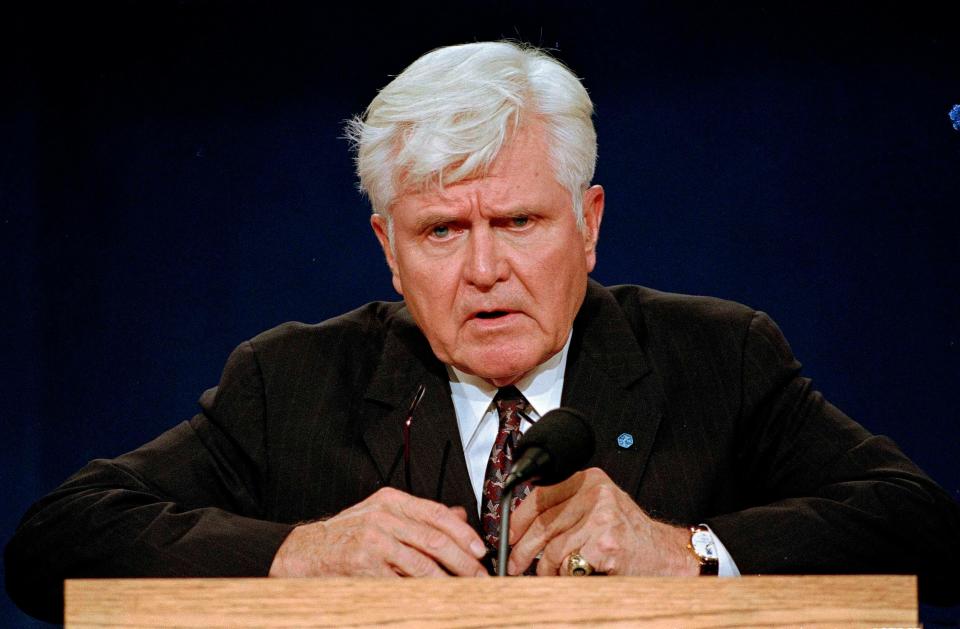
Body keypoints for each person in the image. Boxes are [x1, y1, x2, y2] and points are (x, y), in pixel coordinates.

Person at [6, 41, 959, 623]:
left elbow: (929, 533)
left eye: (518, 223)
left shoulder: (718, 358)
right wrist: (298, 554)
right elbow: (51, 549)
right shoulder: (291, 383)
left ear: (588, 225)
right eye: (441, 231)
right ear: (388, 249)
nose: (484, 268)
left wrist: (689, 552)